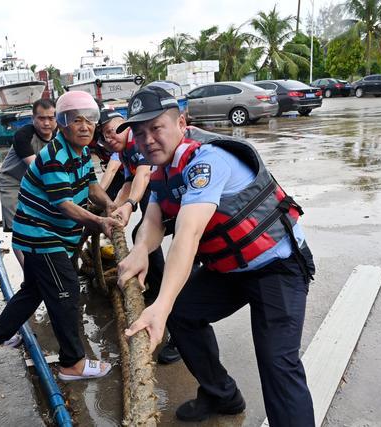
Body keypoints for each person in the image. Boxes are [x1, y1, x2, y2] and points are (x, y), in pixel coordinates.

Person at [117, 86, 316, 425]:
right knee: (184, 314)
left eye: (156, 128)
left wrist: (159, 307)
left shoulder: (207, 161)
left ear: (182, 122)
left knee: (278, 365)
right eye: (139, 132)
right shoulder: (162, 167)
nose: (147, 139)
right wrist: (139, 251)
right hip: (231, 270)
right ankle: (222, 395)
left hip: (277, 267)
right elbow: (153, 219)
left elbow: (188, 233)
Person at [0, 91, 121, 382]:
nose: (85, 127)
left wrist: (109, 205)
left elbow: (91, 185)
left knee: (32, 291)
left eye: (90, 120)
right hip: (42, 237)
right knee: (66, 294)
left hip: (48, 236)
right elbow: (65, 205)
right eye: (76, 121)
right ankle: (72, 363)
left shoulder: (81, 151)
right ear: (63, 124)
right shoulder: (56, 156)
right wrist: (100, 221)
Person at [99, 108, 180, 364]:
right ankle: (157, 287)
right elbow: (128, 181)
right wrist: (113, 207)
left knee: (186, 258)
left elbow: (144, 175)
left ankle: (177, 332)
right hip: (162, 199)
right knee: (141, 237)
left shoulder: (137, 145)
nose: (111, 138)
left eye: (113, 131)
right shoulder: (125, 152)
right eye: (106, 136)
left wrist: (130, 203)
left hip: (185, 204)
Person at [0, 98, 57, 267]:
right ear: (33, 118)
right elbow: (37, 168)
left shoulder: (59, 136)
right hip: (13, 182)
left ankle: (47, 264)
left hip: (36, 184)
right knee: (18, 228)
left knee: (42, 225)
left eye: (51, 118)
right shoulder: (23, 135)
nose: (46, 123)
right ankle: (28, 271)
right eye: (41, 118)